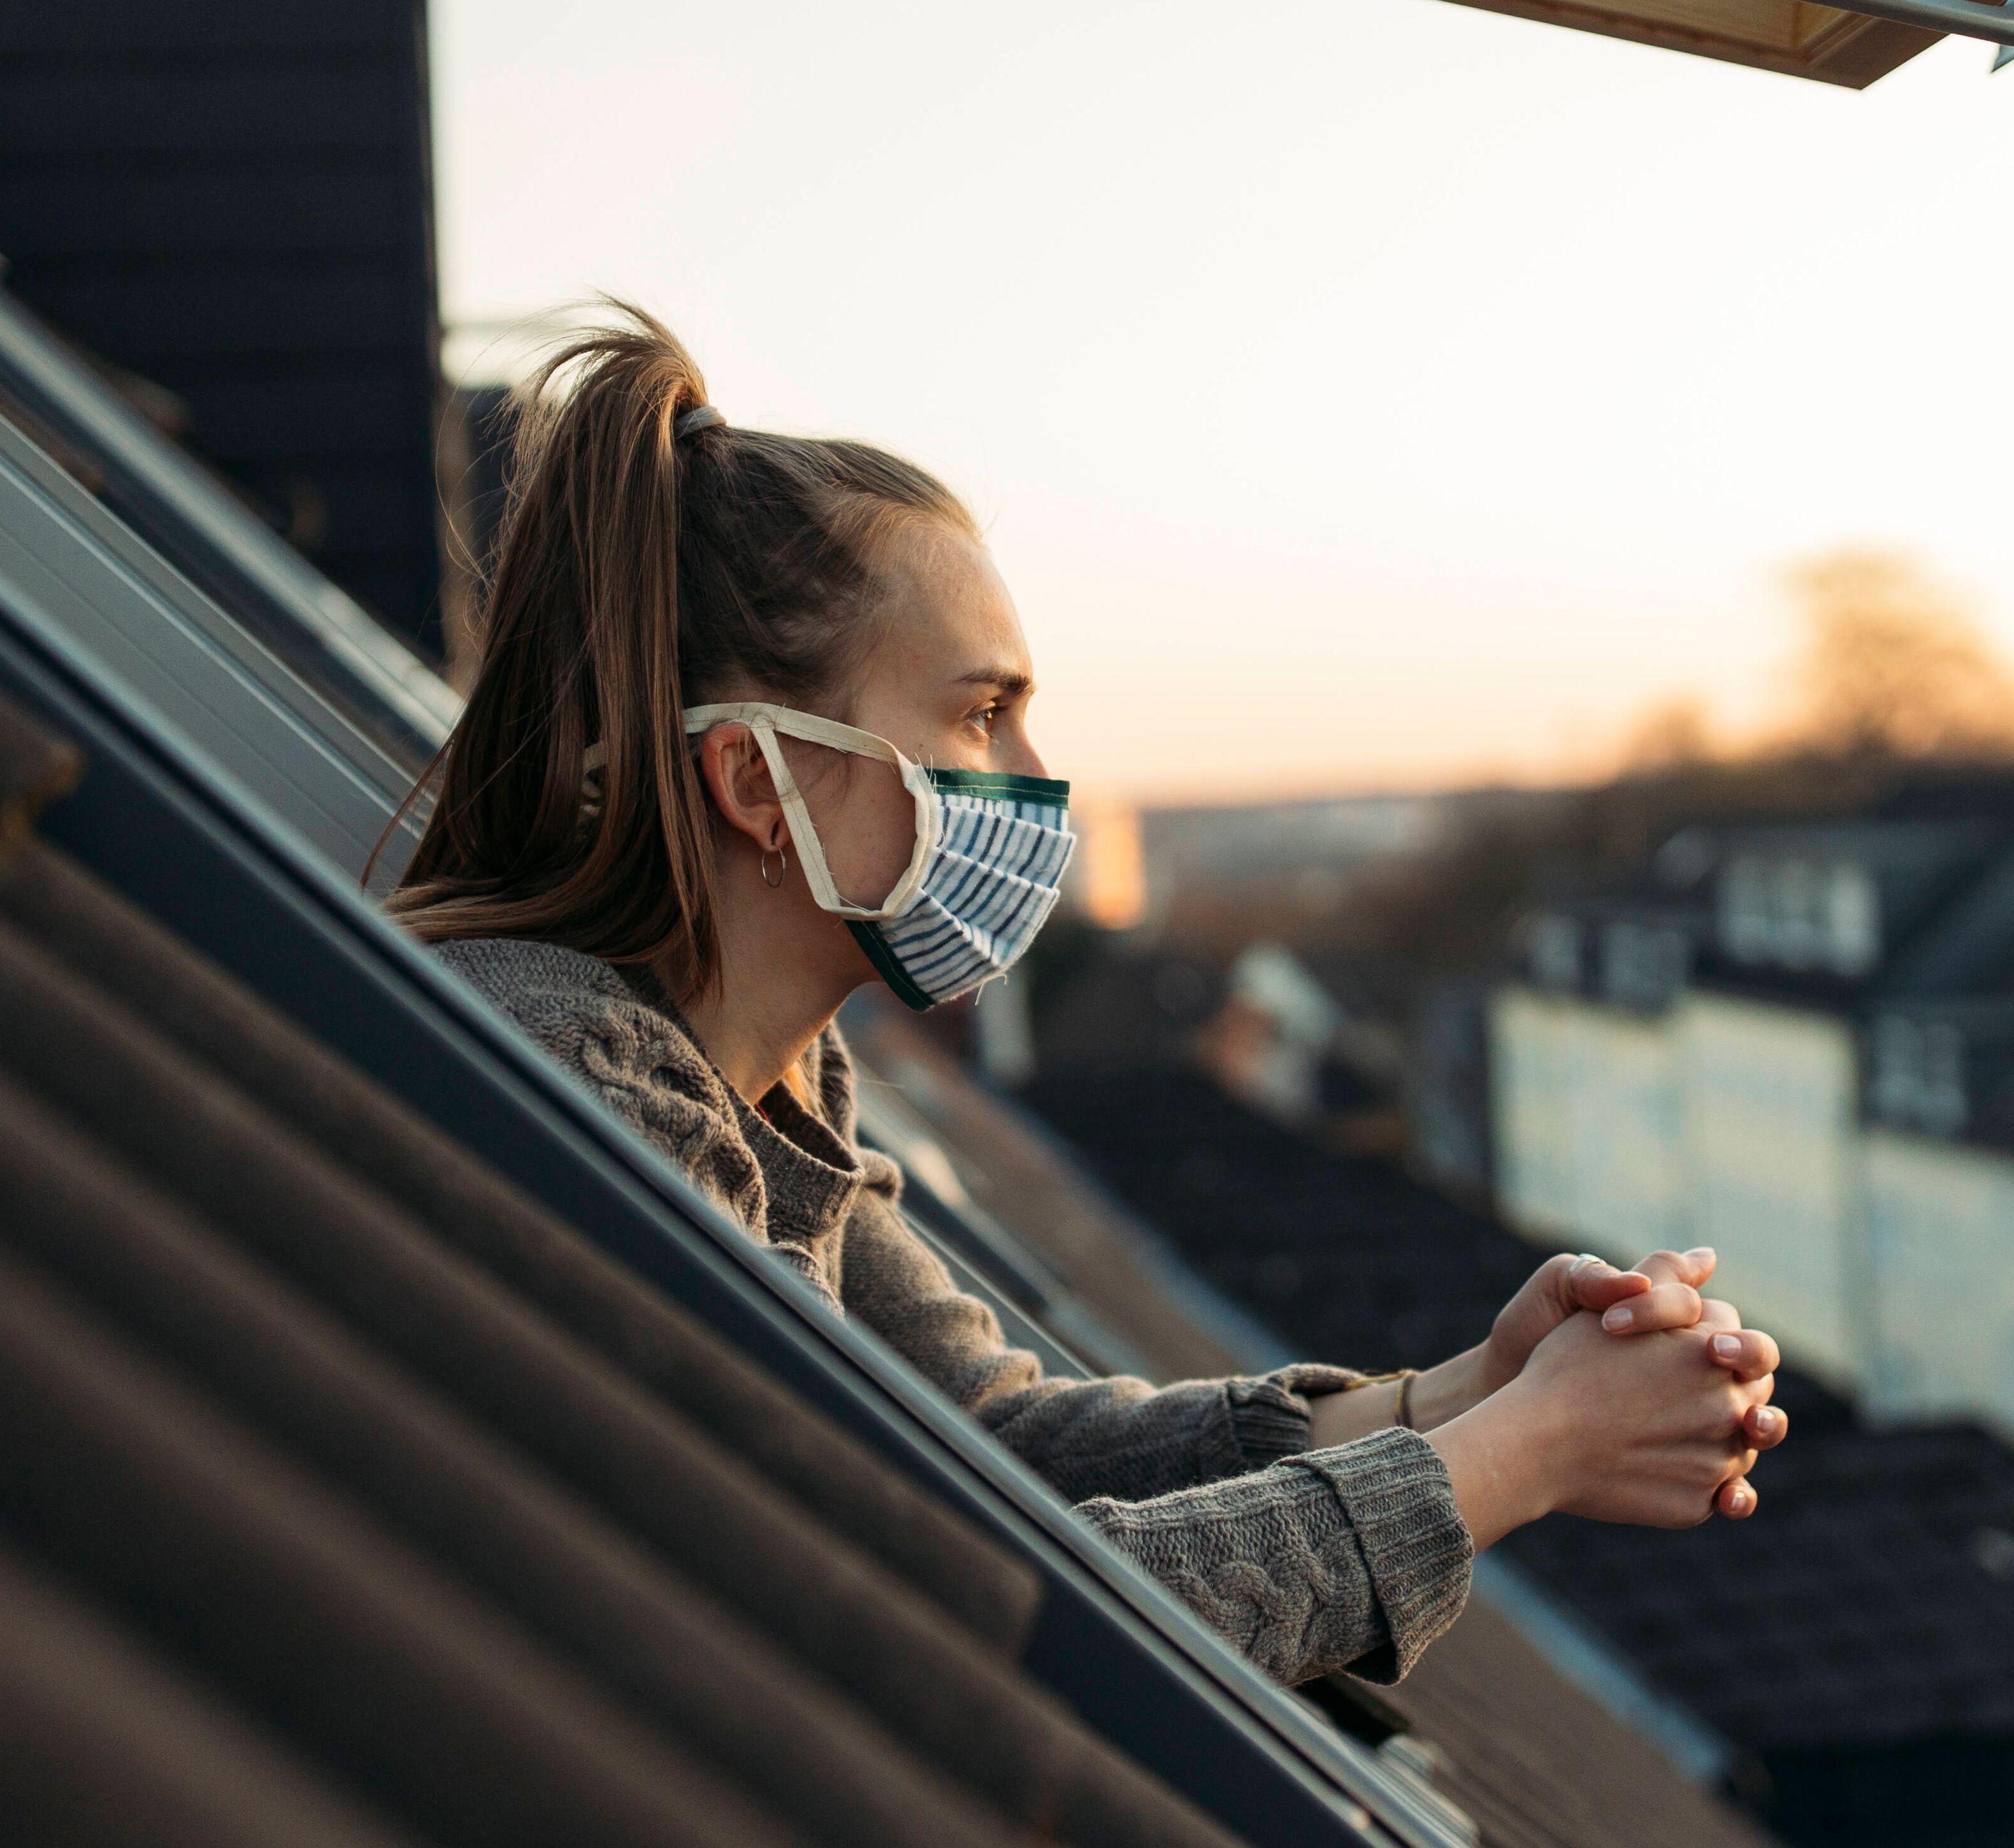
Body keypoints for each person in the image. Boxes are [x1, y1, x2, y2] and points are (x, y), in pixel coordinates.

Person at [390, 311, 1783, 1685]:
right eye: (984, 711)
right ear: (761, 781)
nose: (1040, 768)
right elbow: (935, 1601)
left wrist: (1466, 1388)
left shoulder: (765, 1075)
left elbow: (995, 1435)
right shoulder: (566, 1073)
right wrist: (1528, 1449)